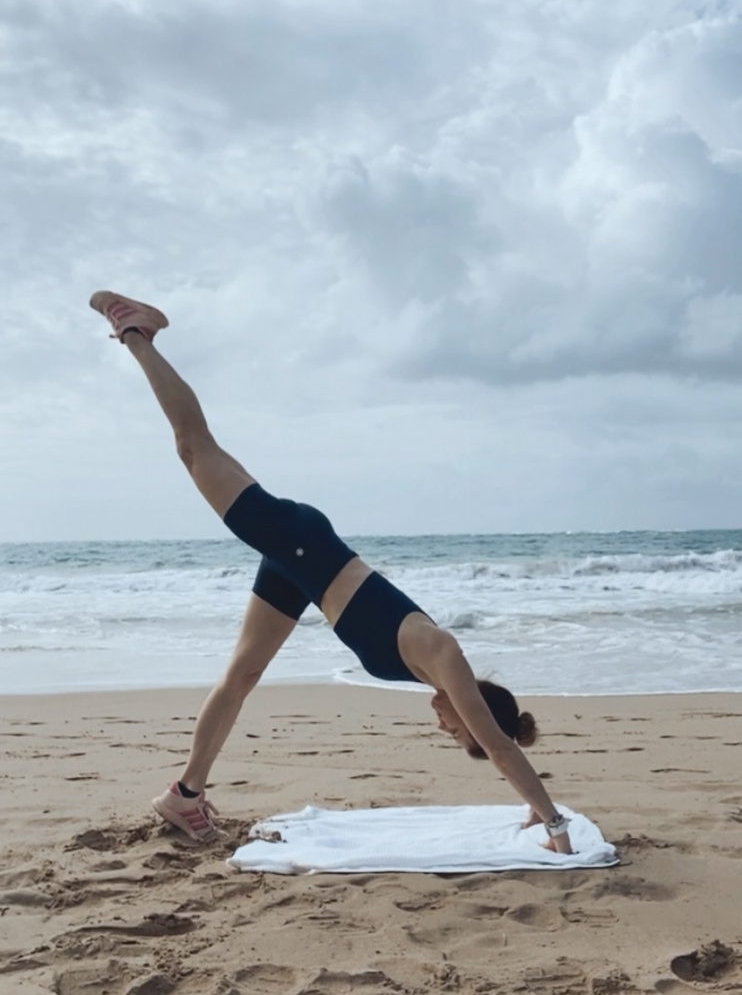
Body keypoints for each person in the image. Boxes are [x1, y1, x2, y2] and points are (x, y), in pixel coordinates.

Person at [90, 290, 573, 855]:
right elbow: (501, 747)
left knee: (240, 677)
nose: (445, 729)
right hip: (301, 545)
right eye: (459, 731)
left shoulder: (432, 672)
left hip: (300, 575)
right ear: (477, 712)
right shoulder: (444, 655)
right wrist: (554, 821)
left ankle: (185, 795)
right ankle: (136, 333)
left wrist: (531, 812)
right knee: (194, 449)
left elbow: (495, 742)